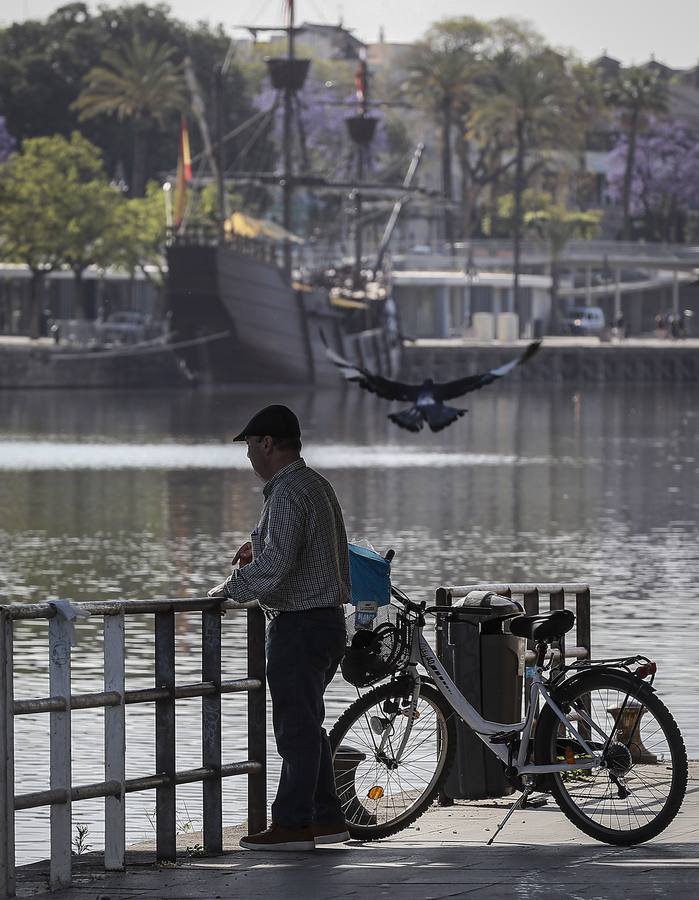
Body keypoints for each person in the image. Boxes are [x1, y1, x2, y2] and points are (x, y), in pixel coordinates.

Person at [208, 404, 350, 851]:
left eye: (250, 445)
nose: (248, 455)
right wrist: (261, 544)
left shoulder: (288, 492)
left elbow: (278, 566)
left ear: (267, 443)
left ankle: (292, 825)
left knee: (295, 728)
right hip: (326, 622)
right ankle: (328, 818)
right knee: (309, 724)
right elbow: (300, 549)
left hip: (300, 625)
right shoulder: (315, 486)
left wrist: (228, 590)